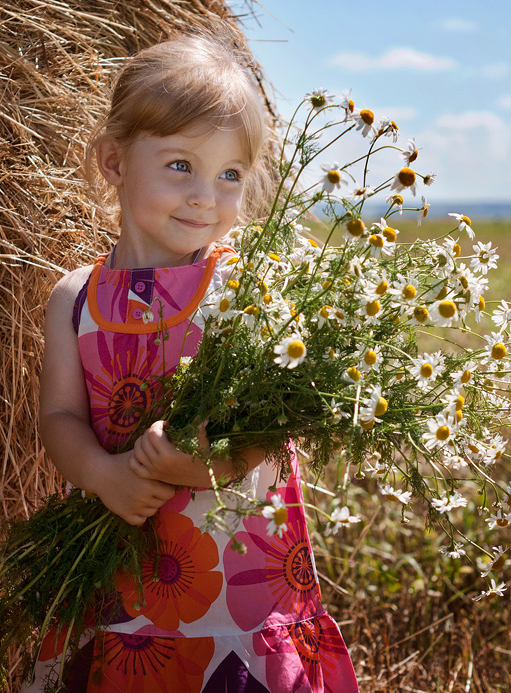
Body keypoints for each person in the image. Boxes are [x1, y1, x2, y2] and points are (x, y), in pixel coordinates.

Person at [25, 34, 359, 693]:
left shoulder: (244, 287)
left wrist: (208, 462)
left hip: (234, 587)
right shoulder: (74, 298)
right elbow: (59, 415)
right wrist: (104, 475)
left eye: (229, 174)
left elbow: (276, 421)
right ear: (113, 161)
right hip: (118, 583)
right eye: (181, 165)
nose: (206, 196)